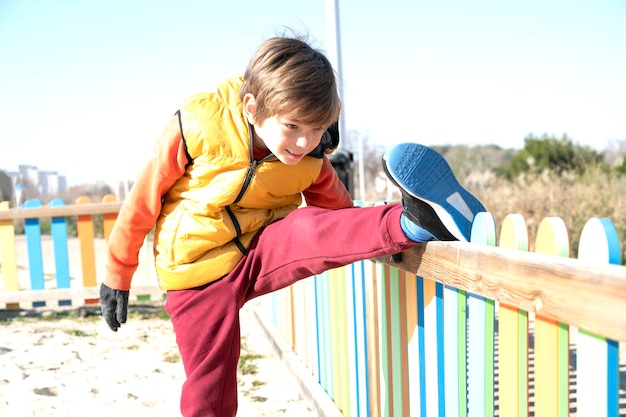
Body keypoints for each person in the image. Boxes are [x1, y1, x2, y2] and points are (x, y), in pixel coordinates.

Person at [100, 34, 485, 417]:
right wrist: (118, 271)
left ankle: (416, 221)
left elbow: (336, 220)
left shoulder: (309, 158)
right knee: (209, 389)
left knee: (305, 226)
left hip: (260, 249)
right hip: (194, 271)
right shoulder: (197, 125)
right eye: (293, 126)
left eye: (317, 129)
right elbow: (143, 200)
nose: (304, 141)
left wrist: (381, 238)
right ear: (252, 107)